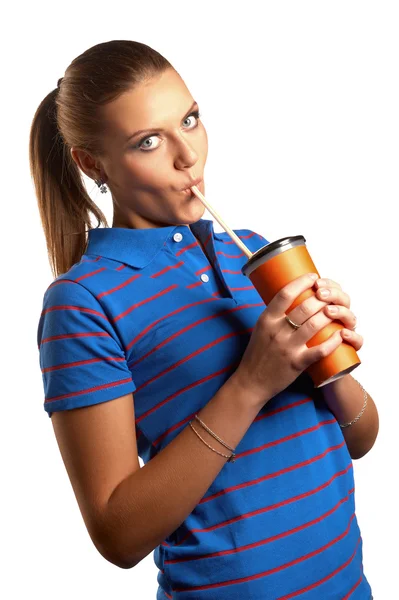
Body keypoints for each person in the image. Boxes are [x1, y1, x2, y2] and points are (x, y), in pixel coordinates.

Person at [30, 40, 378, 599]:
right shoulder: (82, 302)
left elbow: (362, 436)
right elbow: (118, 536)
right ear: (92, 163)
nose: (187, 155)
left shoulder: (257, 256)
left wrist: (331, 359)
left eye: (190, 120)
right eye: (149, 141)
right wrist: (252, 382)